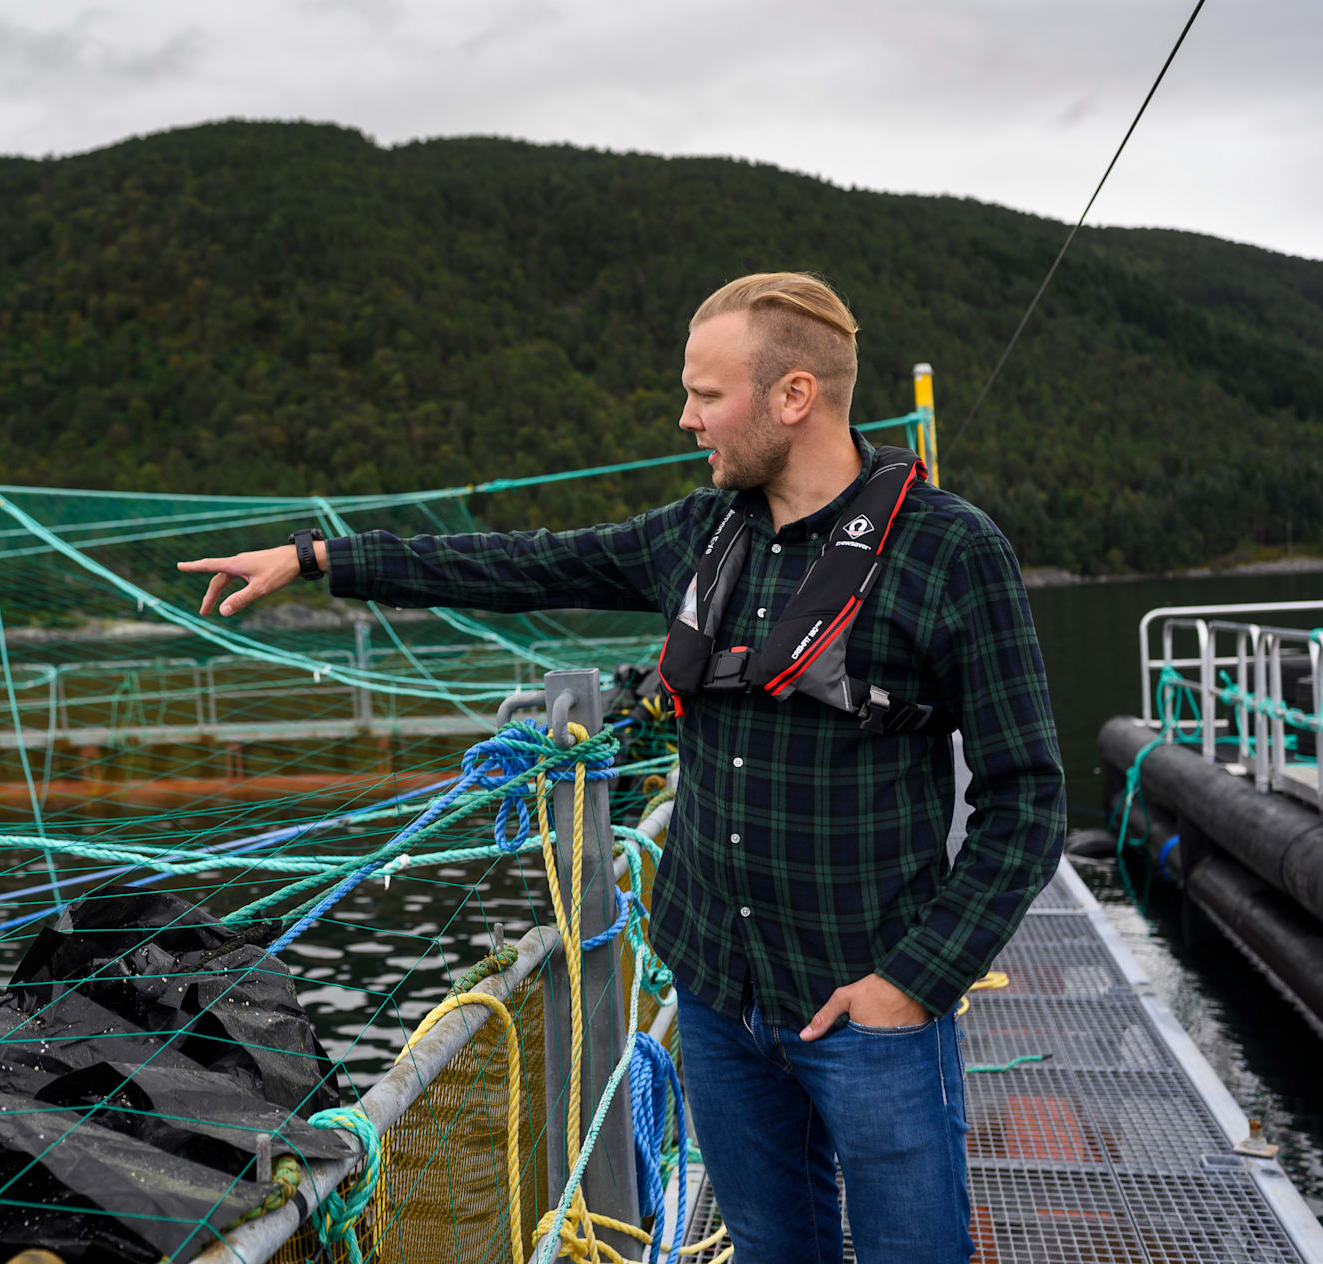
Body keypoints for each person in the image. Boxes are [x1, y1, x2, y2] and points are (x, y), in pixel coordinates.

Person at [177, 272, 1065, 1262]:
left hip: (869, 1004)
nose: (685, 419)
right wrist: (321, 558)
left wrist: (914, 980)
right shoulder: (699, 534)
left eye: (705, 395)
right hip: (718, 997)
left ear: (794, 396)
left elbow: (1025, 801)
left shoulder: (950, 552)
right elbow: (520, 565)